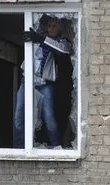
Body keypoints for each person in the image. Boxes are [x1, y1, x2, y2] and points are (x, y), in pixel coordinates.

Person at [14, 16, 74, 149]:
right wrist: (38, 39)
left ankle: (56, 147)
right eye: (49, 26)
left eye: (55, 25)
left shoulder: (61, 41)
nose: (51, 28)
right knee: (19, 117)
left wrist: (40, 38)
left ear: (60, 28)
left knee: (49, 118)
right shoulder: (36, 40)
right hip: (27, 81)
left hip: (45, 84)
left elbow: (63, 50)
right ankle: (19, 149)